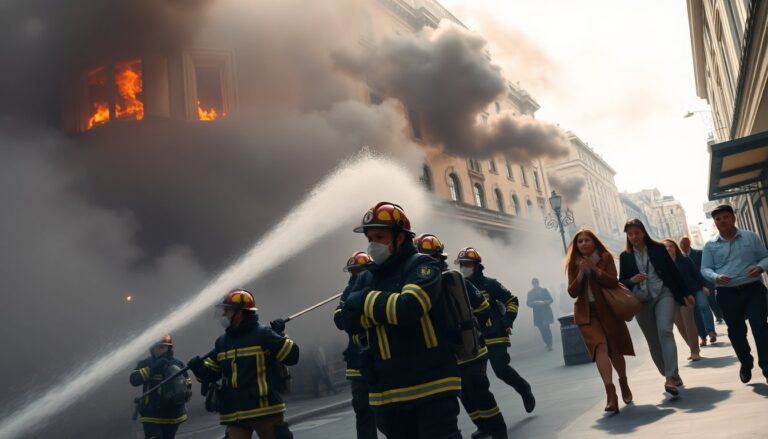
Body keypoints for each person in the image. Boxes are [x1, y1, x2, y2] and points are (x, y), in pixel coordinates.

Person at [340, 202, 462, 439]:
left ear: (400, 237)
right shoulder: (367, 277)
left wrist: (364, 300)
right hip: (387, 394)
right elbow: (348, 321)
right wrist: (380, 307)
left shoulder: (422, 266)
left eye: (380, 236)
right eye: (369, 238)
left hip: (431, 387)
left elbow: (409, 308)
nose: (373, 244)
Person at [415, 233, 507, 439]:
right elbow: (482, 309)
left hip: (461, 353)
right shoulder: (452, 282)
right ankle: (488, 428)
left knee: (477, 394)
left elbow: (482, 307)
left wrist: (468, 329)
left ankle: (497, 432)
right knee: (471, 395)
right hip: (465, 349)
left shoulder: (444, 283)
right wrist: (473, 328)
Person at [188, 289, 299, 439]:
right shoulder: (222, 342)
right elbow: (210, 375)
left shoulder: (264, 334)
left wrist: (279, 336)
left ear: (239, 313)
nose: (223, 315)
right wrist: (198, 368)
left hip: (264, 410)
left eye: (226, 310)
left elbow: (292, 357)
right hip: (236, 414)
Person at [456, 247, 536, 414]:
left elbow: (512, 300)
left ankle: (524, 388)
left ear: (477, 266)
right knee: (474, 382)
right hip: (473, 339)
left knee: (500, 370)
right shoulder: (459, 288)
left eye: (467, 264)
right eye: (461, 264)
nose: (464, 267)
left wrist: (507, 320)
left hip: (494, 335)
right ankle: (484, 423)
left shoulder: (490, 284)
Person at [619, 219, 693, 396]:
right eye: (630, 234)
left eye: (637, 232)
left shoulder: (658, 249)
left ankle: (669, 378)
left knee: (664, 331)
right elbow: (622, 281)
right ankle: (672, 373)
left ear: (643, 232)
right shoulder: (625, 256)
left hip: (663, 294)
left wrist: (686, 293)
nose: (634, 236)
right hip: (641, 301)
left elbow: (673, 271)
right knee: (653, 340)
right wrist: (632, 280)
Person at [565, 229, 634, 413]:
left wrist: (595, 270)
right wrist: (581, 273)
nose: (584, 244)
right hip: (587, 314)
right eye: (580, 241)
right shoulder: (573, 263)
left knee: (615, 350)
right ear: (576, 246)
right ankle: (611, 394)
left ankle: (624, 382)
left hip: (608, 310)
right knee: (600, 348)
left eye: (587, 240)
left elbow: (613, 281)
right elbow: (572, 292)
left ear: (594, 242)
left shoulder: (605, 257)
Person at [701, 204, 768, 384]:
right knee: (736, 332)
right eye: (717, 218)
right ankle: (746, 363)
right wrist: (716, 276)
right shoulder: (710, 245)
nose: (722, 221)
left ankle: (766, 366)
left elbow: (765, 256)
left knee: (761, 327)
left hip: (753, 289)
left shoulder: (750, 237)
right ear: (714, 222)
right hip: (727, 293)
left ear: (733, 218)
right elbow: (705, 268)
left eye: (725, 217)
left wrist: (761, 267)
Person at [333, 251, 377, 439]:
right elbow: (339, 320)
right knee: (362, 409)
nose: (356, 275)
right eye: (353, 271)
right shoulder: (347, 292)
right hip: (357, 361)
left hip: (380, 356)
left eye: (359, 270)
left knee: (390, 411)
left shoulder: (379, 284)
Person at [130, 335, 190, 439]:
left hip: (173, 416)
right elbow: (134, 380)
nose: (160, 350)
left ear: (169, 348)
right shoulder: (146, 363)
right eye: (158, 347)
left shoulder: (177, 364)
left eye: (163, 347)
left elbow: (188, 383)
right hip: (152, 416)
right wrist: (152, 369)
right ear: (152, 349)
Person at [663, 239, 703, 361]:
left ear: (675, 248)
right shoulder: (662, 264)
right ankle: (691, 348)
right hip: (671, 297)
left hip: (686, 295)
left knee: (688, 322)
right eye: (665, 247)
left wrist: (702, 286)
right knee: (680, 325)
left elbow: (696, 274)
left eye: (671, 246)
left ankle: (695, 351)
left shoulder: (684, 260)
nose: (669, 249)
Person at [679, 236, 721, 341]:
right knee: (695, 313)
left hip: (699, 286)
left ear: (689, 243)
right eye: (681, 244)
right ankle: (702, 336)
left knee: (704, 306)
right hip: (686, 291)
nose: (683, 245)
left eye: (685, 243)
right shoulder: (675, 260)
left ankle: (711, 331)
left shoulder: (697, 254)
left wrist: (704, 286)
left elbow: (699, 271)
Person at [526, 278, 555, 351]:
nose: (535, 284)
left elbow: (551, 299)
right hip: (537, 314)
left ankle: (549, 343)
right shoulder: (530, 293)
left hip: (545, 312)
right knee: (541, 329)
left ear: (538, 283)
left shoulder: (544, 290)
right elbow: (528, 303)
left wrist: (544, 302)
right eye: (534, 283)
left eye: (536, 283)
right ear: (532, 284)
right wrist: (533, 303)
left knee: (546, 328)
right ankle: (547, 342)